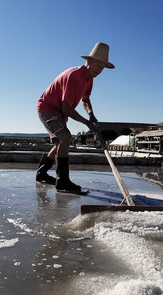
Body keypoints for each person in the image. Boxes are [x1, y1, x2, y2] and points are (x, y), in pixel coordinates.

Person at [35, 42, 115, 193]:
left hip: (60, 112)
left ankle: (42, 173)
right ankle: (62, 181)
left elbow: (85, 99)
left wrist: (91, 114)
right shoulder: (74, 75)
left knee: (61, 141)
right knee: (65, 137)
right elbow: (67, 107)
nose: (100, 70)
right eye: (98, 65)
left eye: (102, 67)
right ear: (89, 62)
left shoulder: (90, 78)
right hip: (48, 108)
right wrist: (86, 123)